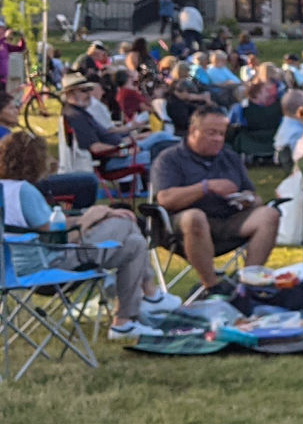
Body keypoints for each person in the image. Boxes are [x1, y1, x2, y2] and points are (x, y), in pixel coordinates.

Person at [0, 131, 179, 333]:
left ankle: (124, 323)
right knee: (125, 222)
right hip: (47, 265)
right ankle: (151, 294)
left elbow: (44, 226)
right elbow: (57, 238)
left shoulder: (5, 189)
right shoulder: (25, 191)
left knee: (135, 245)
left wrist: (88, 216)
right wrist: (90, 218)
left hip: (12, 269)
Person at [150, 108, 280, 292]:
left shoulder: (230, 157)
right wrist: (205, 187)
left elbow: (255, 196)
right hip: (183, 229)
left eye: (222, 134)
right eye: (211, 133)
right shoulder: (169, 159)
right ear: (193, 131)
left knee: (269, 214)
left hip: (228, 220)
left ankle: (249, 284)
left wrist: (248, 200)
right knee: (195, 217)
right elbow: (165, 199)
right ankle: (212, 287)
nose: (218, 139)